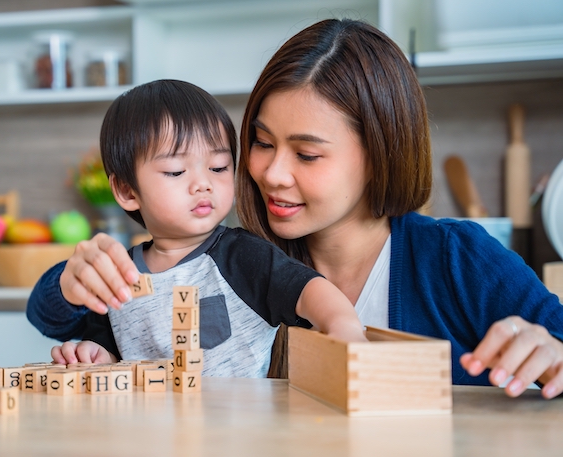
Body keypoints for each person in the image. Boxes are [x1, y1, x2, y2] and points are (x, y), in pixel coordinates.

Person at [58, 19, 563, 399]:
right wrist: (70, 280)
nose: (271, 173)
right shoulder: (234, 255)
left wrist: (553, 352)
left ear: (380, 153)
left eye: (307, 154)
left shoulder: (456, 259)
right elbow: (71, 321)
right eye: (260, 142)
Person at [27, 79, 367, 378]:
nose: (203, 184)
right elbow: (106, 350)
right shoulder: (119, 276)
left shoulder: (243, 256)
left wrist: (343, 325)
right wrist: (97, 356)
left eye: (218, 167)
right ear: (128, 191)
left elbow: (307, 290)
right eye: (176, 172)